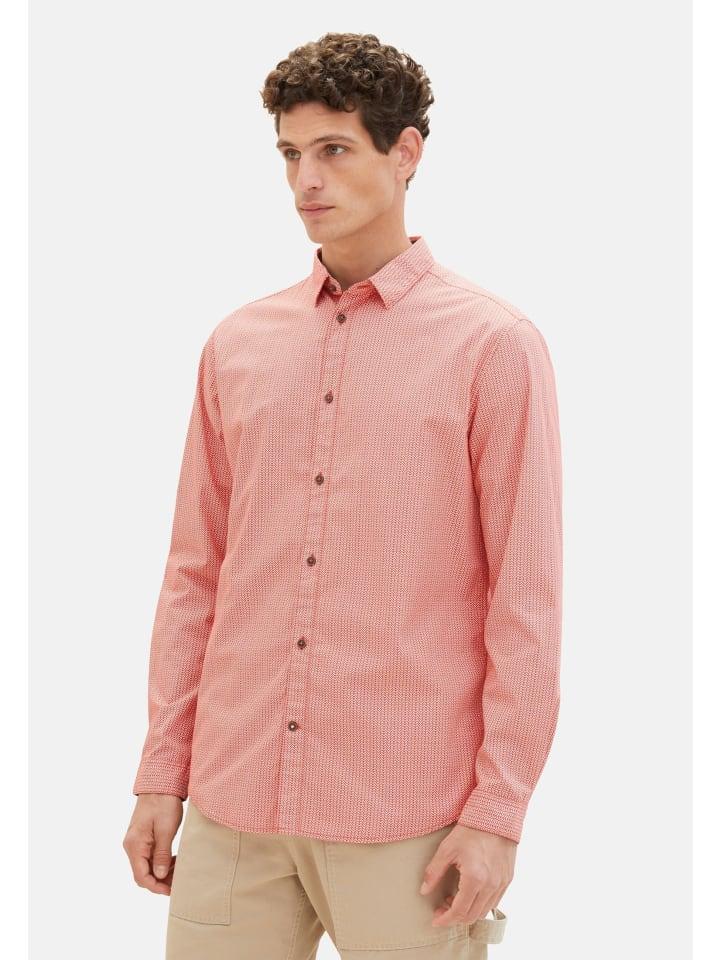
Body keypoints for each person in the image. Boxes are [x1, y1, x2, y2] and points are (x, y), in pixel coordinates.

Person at [123, 31, 563, 960]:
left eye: (333, 149)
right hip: (235, 803)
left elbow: (525, 602)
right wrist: (162, 771)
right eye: (290, 153)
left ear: (405, 153)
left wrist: (499, 812)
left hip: (405, 816)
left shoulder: (492, 347)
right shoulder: (238, 344)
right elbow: (195, 573)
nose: (305, 182)